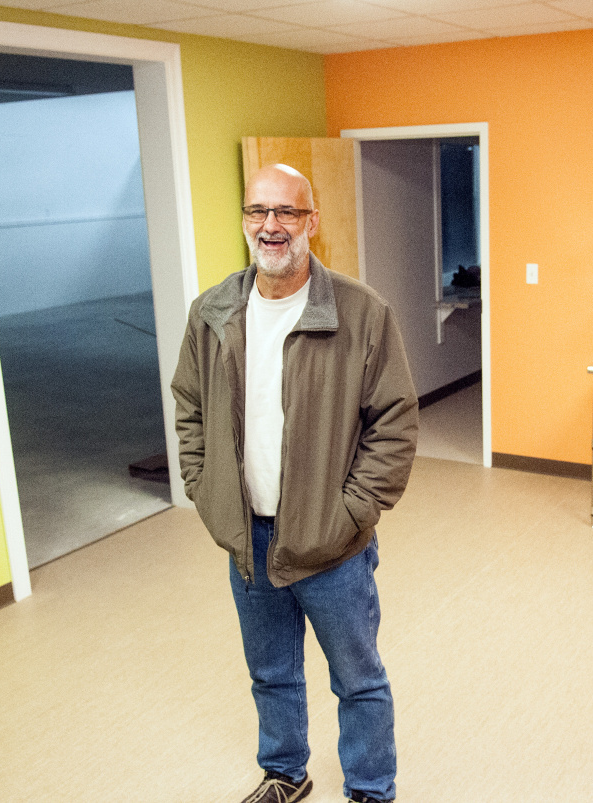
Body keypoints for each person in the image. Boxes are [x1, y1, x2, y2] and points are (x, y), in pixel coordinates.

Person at [171, 163, 418, 803]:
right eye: (258, 212)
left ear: (312, 222)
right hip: (247, 540)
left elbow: (394, 424)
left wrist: (350, 513)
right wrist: (205, 489)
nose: (271, 226)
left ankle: (370, 788)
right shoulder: (213, 311)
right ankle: (285, 773)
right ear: (246, 221)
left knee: (358, 678)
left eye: (286, 213)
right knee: (271, 672)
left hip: (332, 546)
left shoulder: (362, 313)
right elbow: (189, 406)